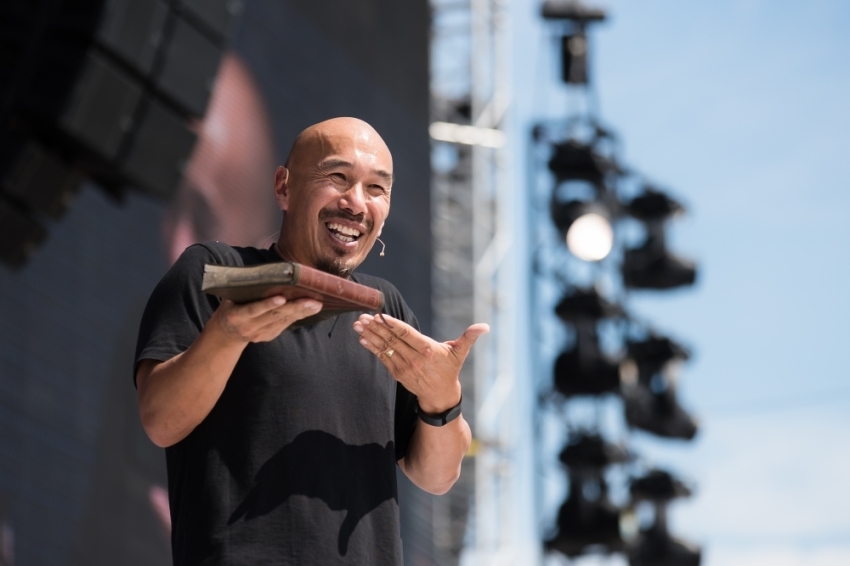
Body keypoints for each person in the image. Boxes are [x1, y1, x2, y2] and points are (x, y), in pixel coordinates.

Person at [134, 117, 488, 565]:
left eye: (377, 189)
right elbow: (161, 420)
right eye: (338, 178)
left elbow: (436, 477)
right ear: (283, 187)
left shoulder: (384, 308)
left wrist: (443, 400)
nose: (356, 203)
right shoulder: (219, 273)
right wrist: (228, 334)